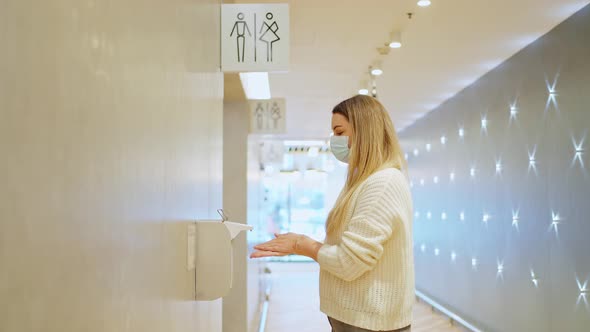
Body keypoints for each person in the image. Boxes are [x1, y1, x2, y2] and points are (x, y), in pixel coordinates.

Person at [251, 95, 415, 332]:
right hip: (353, 318)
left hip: (368, 323)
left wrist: (301, 244)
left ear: (364, 131)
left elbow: (348, 262)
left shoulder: (382, 183)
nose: (333, 141)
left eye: (339, 132)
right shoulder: (363, 181)